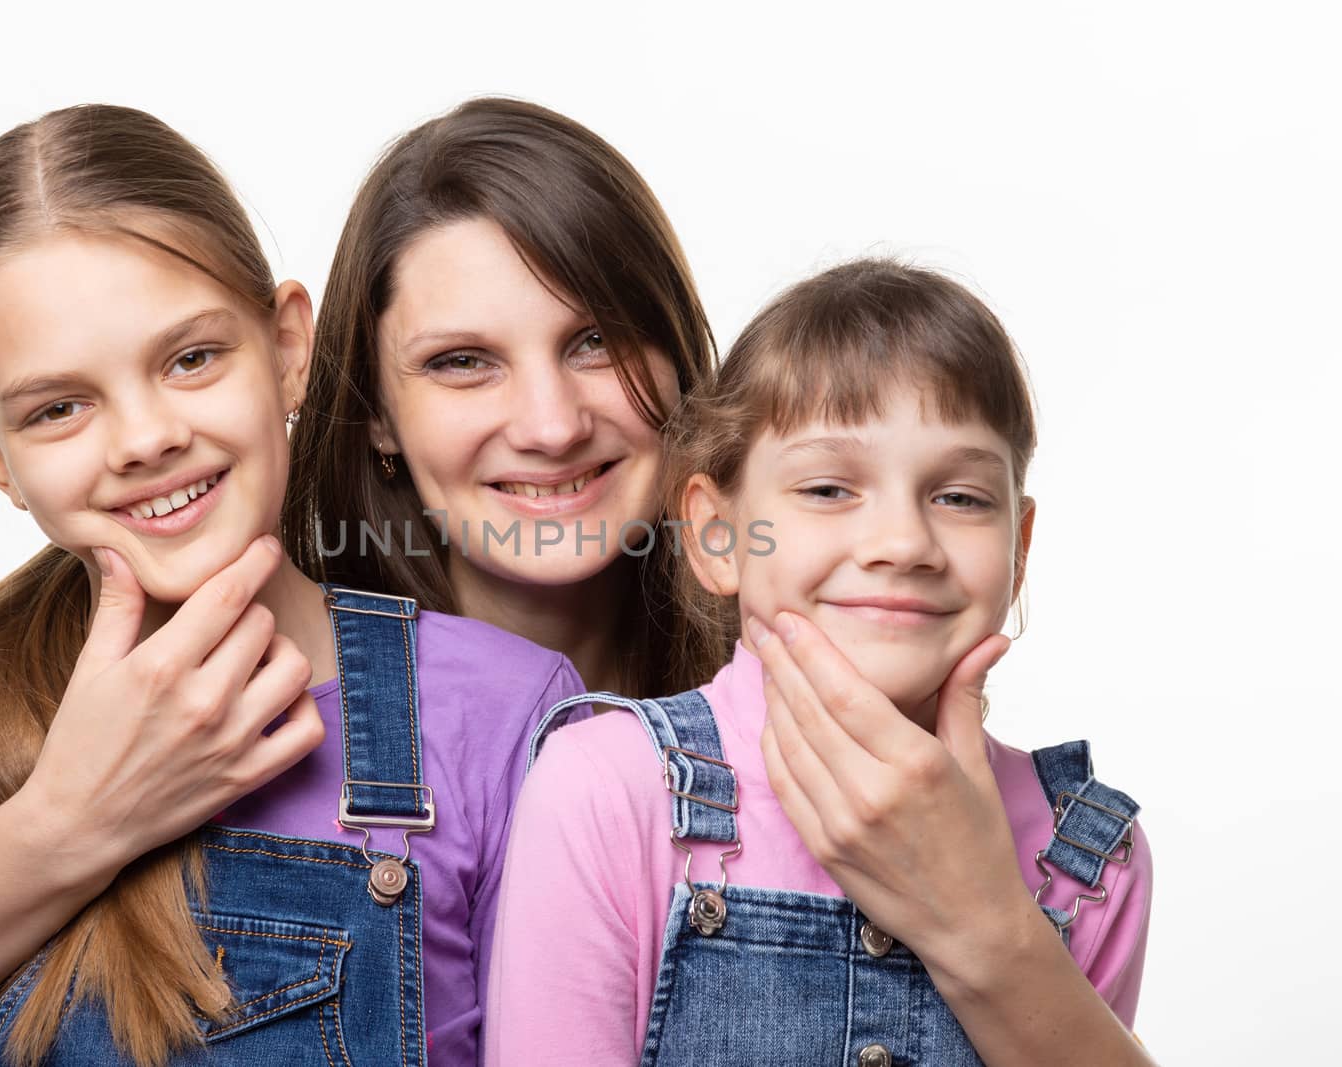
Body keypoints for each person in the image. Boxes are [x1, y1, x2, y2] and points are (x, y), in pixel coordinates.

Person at [0, 103, 581, 1067]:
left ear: (287, 348)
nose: (145, 438)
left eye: (191, 358)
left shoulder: (504, 715)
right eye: (60, 407)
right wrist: (67, 820)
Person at [485, 259, 1155, 1065]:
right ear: (715, 534)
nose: (903, 543)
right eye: (830, 489)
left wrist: (991, 927)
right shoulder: (605, 788)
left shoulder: (1088, 857)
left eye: (962, 498)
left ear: (1020, 550)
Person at [285, 97, 722, 697]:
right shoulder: (278, 733)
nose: (552, 427)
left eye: (597, 341)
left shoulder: (822, 669)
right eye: (463, 362)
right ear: (377, 413)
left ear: (675, 353)